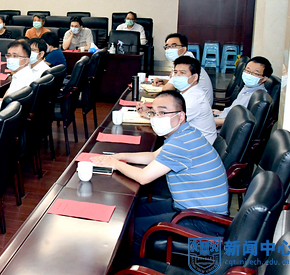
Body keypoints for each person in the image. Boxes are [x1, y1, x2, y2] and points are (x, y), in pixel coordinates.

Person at [92, 90, 228, 253]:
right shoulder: (186, 133)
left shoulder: (180, 143)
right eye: (154, 113)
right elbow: (153, 156)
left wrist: (115, 164)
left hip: (204, 222)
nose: (156, 118)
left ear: (181, 116)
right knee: (130, 214)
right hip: (191, 209)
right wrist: (119, 156)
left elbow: (143, 177)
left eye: (163, 113)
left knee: (129, 230)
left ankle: (136, 265)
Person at [142, 56, 217, 143]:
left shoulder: (194, 99)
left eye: (182, 73)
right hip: (190, 139)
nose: (177, 75)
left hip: (198, 145)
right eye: (175, 72)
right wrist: (149, 111)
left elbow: (169, 122)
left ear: (194, 77)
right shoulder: (188, 92)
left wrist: (147, 114)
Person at [153, 33, 213, 106]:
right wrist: (162, 81)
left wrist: (162, 86)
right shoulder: (183, 60)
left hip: (195, 104)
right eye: (167, 46)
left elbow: (166, 90)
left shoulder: (185, 64)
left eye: (174, 46)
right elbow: (176, 81)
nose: (169, 49)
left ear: (184, 49)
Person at [214, 56, 272, 127]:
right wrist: (220, 113)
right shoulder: (247, 87)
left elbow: (235, 121)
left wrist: (212, 121)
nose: (249, 75)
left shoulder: (255, 96)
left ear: (264, 78)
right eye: (247, 71)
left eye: (255, 73)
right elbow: (234, 109)